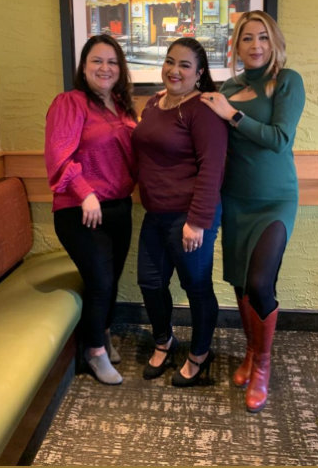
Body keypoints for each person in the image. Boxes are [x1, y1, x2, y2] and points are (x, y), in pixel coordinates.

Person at [199, 10, 305, 412]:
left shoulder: (287, 81)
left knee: (261, 283)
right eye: (247, 38)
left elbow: (280, 139)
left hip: (275, 199)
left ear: (273, 41)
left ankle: (263, 364)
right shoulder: (229, 85)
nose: (255, 45)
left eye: (263, 37)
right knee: (241, 285)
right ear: (237, 45)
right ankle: (249, 351)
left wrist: (233, 115)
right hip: (236, 199)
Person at [131, 37, 226, 386]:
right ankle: (163, 341)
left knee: (196, 287)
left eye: (185, 65)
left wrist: (198, 222)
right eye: (170, 61)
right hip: (155, 215)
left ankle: (199, 353)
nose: (174, 70)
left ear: (199, 73)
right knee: (150, 282)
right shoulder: (155, 103)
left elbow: (212, 167)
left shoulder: (202, 109)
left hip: (190, 219)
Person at [45, 34, 137, 385]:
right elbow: (58, 155)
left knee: (112, 279)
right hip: (79, 209)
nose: (105, 67)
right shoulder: (70, 103)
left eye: (112, 62)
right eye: (97, 60)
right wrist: (85, 193)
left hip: (119, 207)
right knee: (99, 280)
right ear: (83, 67)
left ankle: (104, 332)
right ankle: (93, 351)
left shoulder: (123, 106)